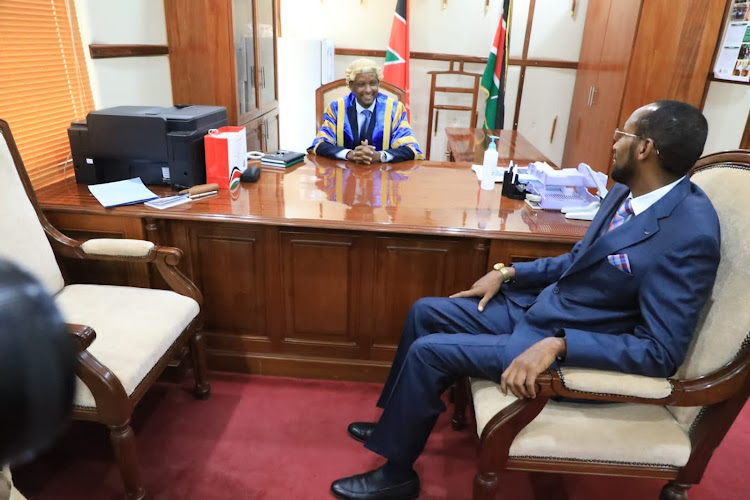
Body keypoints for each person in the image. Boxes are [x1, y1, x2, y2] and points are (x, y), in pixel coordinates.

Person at [330, 100, 721, 500]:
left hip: (569, 340)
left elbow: (660, 351)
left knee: (429, 352)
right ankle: (393, 424)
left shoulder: (690, 234)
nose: (614, 141)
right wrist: (507, 272)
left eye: (623, 133)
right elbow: (577, 261)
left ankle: (397, 475)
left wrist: (559, 345)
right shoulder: (625, 189)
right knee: (426, 312)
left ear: (645, 149)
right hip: (543, 308)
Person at [308, 58, 424, 164]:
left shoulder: (394, 109)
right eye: (361, 84)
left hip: (383, 178)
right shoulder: (336, 108)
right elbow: (319, 144)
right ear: (351, 85)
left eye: (373, 83)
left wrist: (380, 156)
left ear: (379, 83)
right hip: (344, 177)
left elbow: (411, 148)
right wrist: (350, 154)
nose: (368, 90)